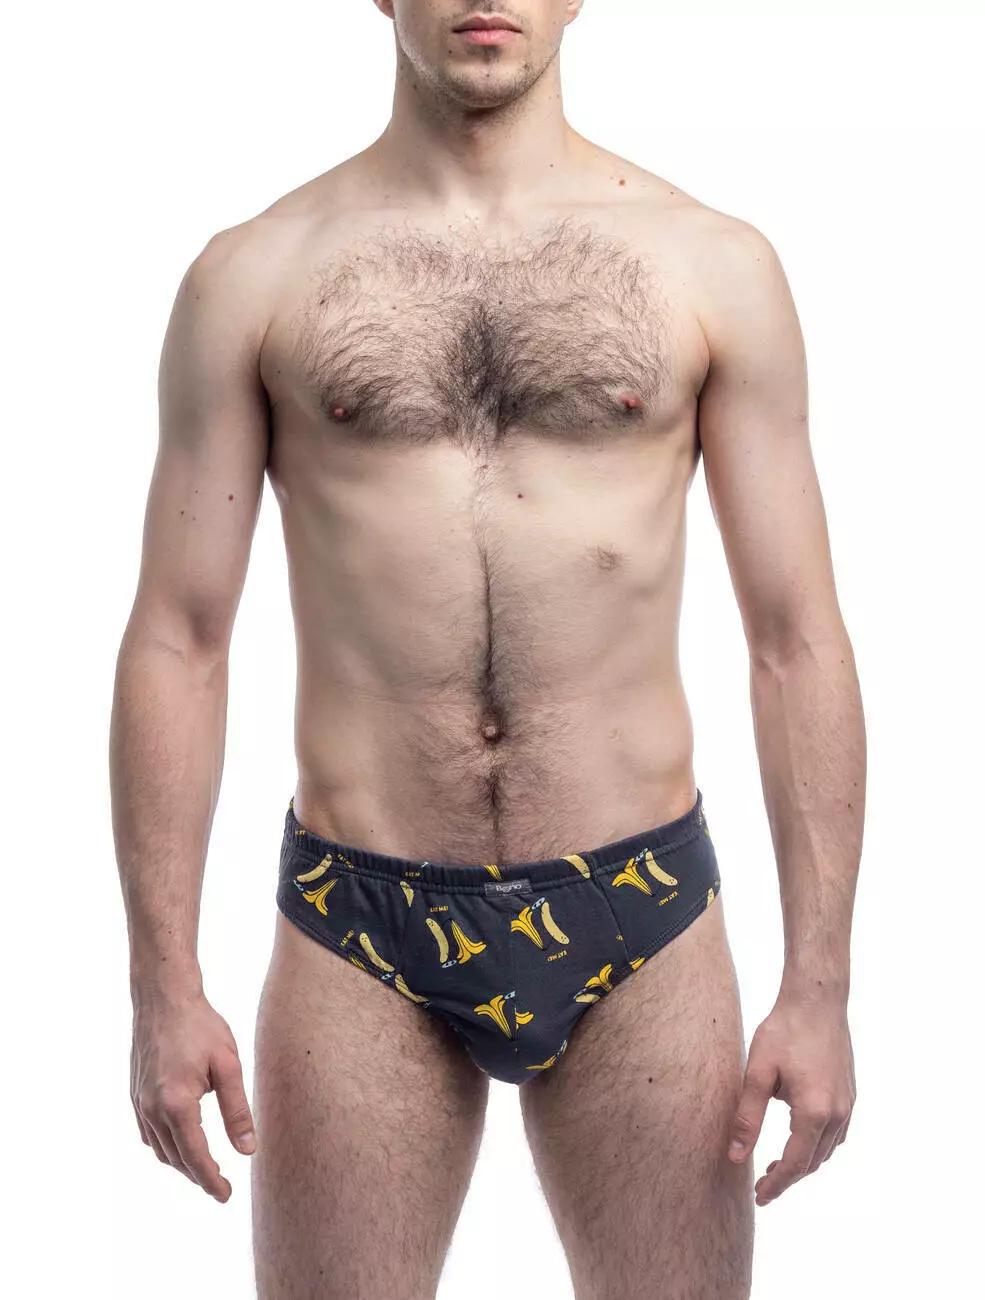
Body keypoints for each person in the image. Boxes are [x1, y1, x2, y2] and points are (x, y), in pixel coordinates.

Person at [110, 2, 864, 1296]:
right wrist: (162, 985)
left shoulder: (712, 265)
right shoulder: (254, 276)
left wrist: (821, 985)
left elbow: (796, 638)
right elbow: (179, 638)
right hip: (362, 920)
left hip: (639, 906)